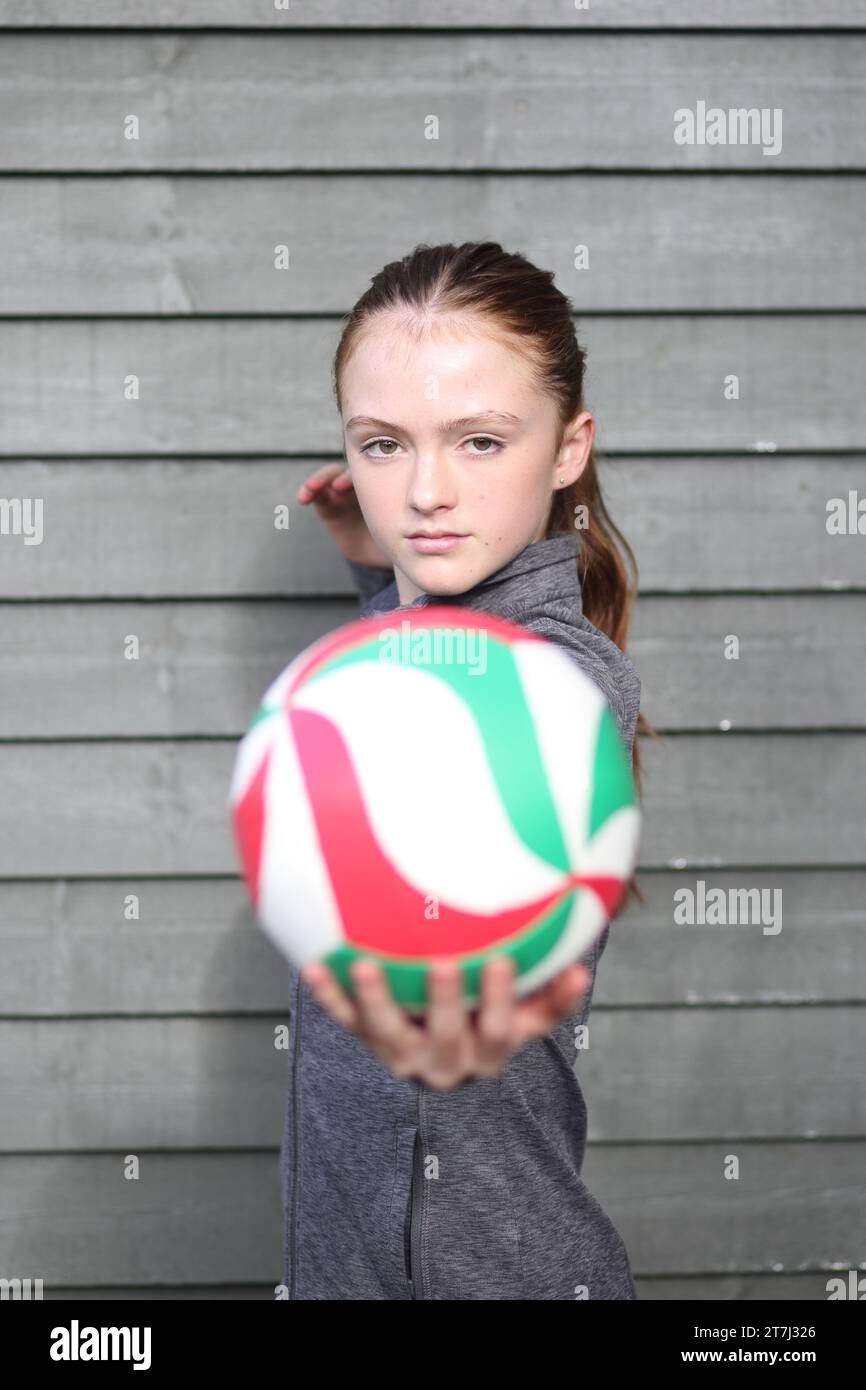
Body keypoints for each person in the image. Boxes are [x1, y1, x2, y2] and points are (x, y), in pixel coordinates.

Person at [280, 240, 652, 1300]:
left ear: (568, 447)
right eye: (384, 444)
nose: (426, 491)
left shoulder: (569, 677)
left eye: (480, 441)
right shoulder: (427, 626)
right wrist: (377, 575)